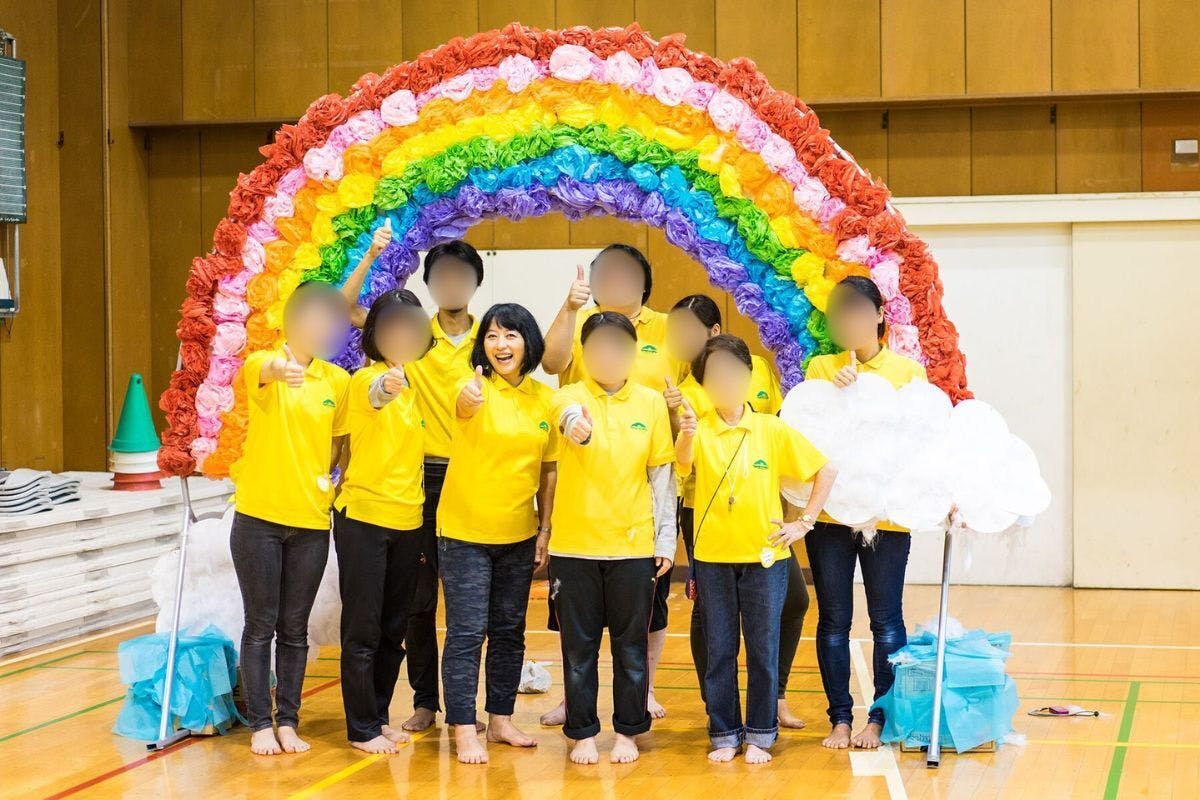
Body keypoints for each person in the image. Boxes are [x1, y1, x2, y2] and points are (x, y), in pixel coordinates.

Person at [345, 237, 486, 732]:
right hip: (419, 478)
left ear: (476, 283)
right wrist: (371, 254)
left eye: (461, 275)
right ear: (428, 284)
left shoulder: (490, 338)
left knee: (468, 602)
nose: (452, 283)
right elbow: (346, 309)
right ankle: (426, 701)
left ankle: (469, 708)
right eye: (441, 275)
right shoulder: (408, 330)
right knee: (417, 601)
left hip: (471, 476)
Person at [675, 334, 837, 764]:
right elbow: (681, 466)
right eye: (715, 374)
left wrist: (804, 522)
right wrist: (686, 434)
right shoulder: (699, 427)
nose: (726, 381)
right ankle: (724, 733)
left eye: (734, 371)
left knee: (763, 650)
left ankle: (762, 735)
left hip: (766, 559)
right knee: (719, 650)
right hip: (712, 558)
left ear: (749, 377)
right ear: (703, 384)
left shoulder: (771, 428)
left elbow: (824, 470)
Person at [540, 243, 683, 723]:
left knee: (635, 635)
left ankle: (635, 711)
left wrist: (665, 539)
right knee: (577, 639)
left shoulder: (655, 379)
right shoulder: (571, 382)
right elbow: (561, 400)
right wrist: (575, 425)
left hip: (635, 532)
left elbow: (661, 474)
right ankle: (576, 712)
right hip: (578, 537)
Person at [663, 295, 809, 730]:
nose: (682, 337)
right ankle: (719, 709)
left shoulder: (756, 367)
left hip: (760, 508)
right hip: (705, 510)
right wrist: (675, 416)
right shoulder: (687, 390)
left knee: (794, 601)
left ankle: (773, 699)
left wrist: (795, 512)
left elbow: (777, 424)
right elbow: (680, 458)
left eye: (691, 328)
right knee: (710, 615)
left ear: (714, 330)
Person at [803, 275, 928, 750]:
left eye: (858, 310)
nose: (849, 320)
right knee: (833, 620)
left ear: (878, 315)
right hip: (831, 516)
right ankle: (839, 718)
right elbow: (809, 438)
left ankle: (879, 717)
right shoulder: (821, 368)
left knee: (886, 620)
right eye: (840, 312)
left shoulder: (908, 372)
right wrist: (835, 395)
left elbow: (917, 439)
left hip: (886, 517)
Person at [227, 281, 350, 756]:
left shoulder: (336, 382)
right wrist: (281, 370)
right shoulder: (263, 362)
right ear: (291, 319)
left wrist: (327, 481)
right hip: (258, 519)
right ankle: (260, 722)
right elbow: (265, 371)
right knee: (260, 624)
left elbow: (339, 442)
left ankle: (289, 721)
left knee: (295, 629)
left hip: (311, 522)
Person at [437, 303, 558, 764]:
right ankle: (464, 726)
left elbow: (548, 470)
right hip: (464, 533)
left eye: (510, 335)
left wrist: (544, 528)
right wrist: (469, 398)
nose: (500, 344)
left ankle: (501, 719)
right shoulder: (469, 385)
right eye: (491, 336)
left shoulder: (544, 399)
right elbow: (462, 404)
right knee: (467, 632)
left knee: (509, 632)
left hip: (518, 534)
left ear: (528, 342)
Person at [332, 289, 433, 754]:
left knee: (394, 628)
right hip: (365, 519)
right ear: (375, 333)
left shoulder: (413, 387)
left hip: (408, 520)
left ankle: (377, 714)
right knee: (363, 628)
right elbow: (375, 397)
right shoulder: (366, 380)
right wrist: (385, 388)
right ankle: (361, 728)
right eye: (393, 327)